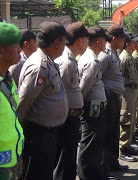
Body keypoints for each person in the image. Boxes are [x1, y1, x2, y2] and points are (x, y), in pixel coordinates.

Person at [18, 21, 68, 180]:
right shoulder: (39, 65)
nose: (65, 45)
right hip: (38, 135)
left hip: (47, 135)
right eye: (64, 41)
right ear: (57, 42)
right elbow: (24, 101)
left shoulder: (48, 62)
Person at [54, 21, 89, 180]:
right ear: (80, 40)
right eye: (87, 39)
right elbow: (57, 92)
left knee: (68, 160)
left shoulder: (72, 58)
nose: (88, 43)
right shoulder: (67, 61)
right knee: (64, 160)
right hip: (65, 118)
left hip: (71, 116)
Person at [77, 26, 109, 180]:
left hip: (94, 107)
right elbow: (83, 88)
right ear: (98, 42)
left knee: (95, 143)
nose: (105, 45)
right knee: (89, 144)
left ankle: (94, 174)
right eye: (104, 41)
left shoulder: (92, 58)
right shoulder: (91, 61)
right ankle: (86, 175)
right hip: (91, 108)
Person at [98, 24, 128, 174]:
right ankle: (104, 168)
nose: (124, 42)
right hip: (108, 99)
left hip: (115, 98)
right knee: (107, 133)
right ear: (114, 38)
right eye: (122, 39)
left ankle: (113, 162)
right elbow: (97, 77)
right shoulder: (105, 54)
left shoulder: (114, 53)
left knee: (114, 132)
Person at [0, 23, 24, 180]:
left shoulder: (8, 79)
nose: (20, 50)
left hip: (14, 157)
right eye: (16, 46)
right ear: (1, 50)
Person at [119, 32, 138, 162]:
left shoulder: (129, 56)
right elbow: (120, 77)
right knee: (126, 119)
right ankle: (122, 148)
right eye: (134, 42)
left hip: (132, 90)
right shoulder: (124, 57)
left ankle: (128, 144)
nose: (136, 45)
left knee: (132, 118)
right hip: (126, 91)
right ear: (128, 44)